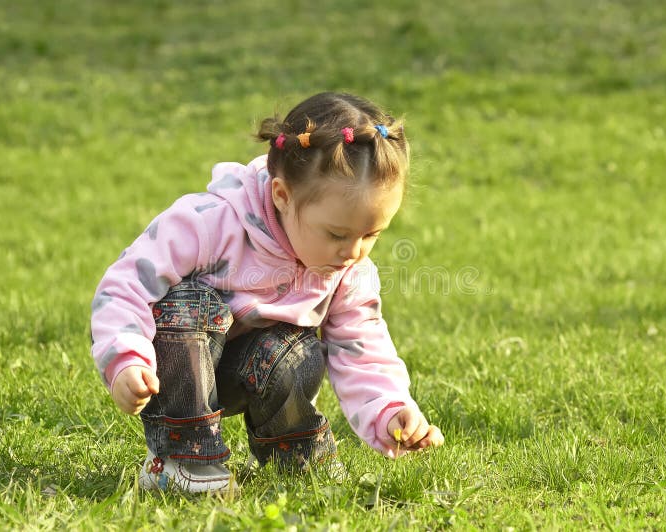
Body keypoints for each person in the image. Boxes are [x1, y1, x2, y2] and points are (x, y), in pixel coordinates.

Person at [90, 92, 444, 494]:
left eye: (372, 234)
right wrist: (124, 359)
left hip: (251, 370)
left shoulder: (349, 268)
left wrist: (390, 409)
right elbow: (126, 284)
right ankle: (183, 461)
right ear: (282, 196)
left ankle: (295, 454)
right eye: (336, 234)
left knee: (296, 348)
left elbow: (361, 344)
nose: (353, 251)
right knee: (192, 304)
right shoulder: (210, 223)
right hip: (175, 369)